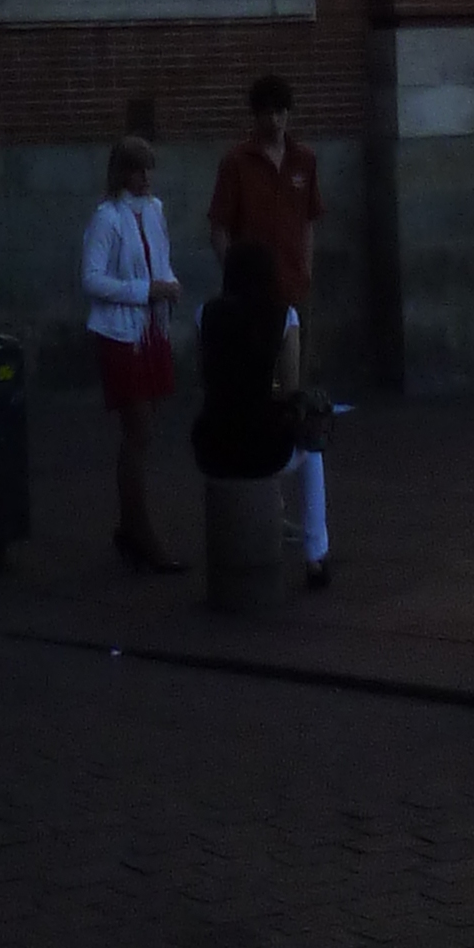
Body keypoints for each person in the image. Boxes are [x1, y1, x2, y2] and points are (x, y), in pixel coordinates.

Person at [191, 237, 330, 589]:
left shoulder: (204, 313)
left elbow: (205, 376)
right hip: (263, 449)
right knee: (313, 449)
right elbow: (290, 385)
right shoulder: (285, 315)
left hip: (213, 445)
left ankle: (280, 526)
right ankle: (316, 555)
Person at [84, 136, 183, 573]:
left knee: (144, 432)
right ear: (121, 173)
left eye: (148, 169)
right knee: (137, 433)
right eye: (137, 170)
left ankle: (130, 527)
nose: (145, 178)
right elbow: (93, 280)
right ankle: (140, 532)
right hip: (121, 335)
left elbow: (160, 260)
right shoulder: (107, 219)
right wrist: (147, 291)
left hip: (150, 330)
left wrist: (168, 284)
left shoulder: (154, 211)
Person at [206, 73, 324, 391]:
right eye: (267, 113)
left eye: (280, 112)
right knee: (254, 378)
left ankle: (294, 436)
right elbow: (219, 227)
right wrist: (236, 276)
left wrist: (306, 270)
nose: (274, 121)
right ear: (255, 116)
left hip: (294, 285)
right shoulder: (236, 162)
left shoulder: (305, 160)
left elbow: (309, 220)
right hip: (252, 293)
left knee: (295, 380)